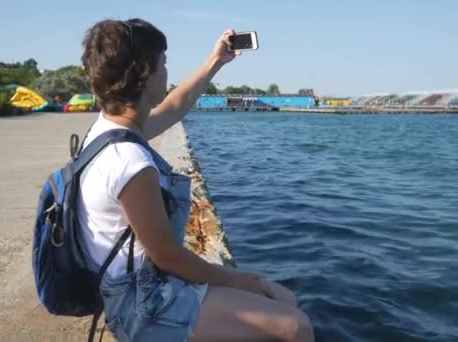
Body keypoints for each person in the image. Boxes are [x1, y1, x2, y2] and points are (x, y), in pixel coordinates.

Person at [78, 18, 314, 341]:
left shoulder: (108, 133)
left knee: (284, 300)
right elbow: (169, 257)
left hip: (133, 289)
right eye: (163, 63)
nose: (167, 72)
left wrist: (216, 60)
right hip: (141, 305)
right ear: (144, 74)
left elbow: (175, 106)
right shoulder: (129, 162)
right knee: (295, 326)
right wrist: (244, 280)